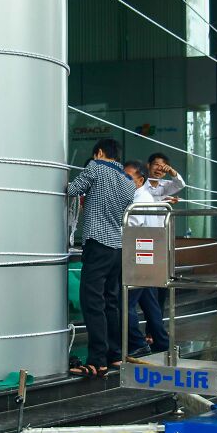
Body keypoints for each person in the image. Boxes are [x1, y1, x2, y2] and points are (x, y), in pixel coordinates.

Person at [67, 139, 135, 377]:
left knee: (92, 302)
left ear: (99, 152)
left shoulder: (95, 167)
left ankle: (97, 360)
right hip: (117, 246)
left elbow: (72, 190)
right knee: (111, 302)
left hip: (97, 243)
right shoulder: (128, 181)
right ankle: (114, 355)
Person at [123, 160, 170, 356]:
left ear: (140, 179)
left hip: (139, 254)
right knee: (149, 303)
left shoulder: (139, 199)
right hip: (148, 253)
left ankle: (137, 342)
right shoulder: (144, 196)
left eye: (128, 178)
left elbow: (131, 226)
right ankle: (162, 341)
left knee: (126, 303)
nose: (123, 181)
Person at [146, 152, 186, 318]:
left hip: (162, 239)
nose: (159, 169)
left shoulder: (165, 185)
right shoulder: (140, 185)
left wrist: (172, 171)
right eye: (156, 165)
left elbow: (181, 184)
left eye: (163, 167)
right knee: (147, 283)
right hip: (144, 237)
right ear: (148, 165)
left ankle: (155, 326)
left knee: (162, 284)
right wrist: (163, 201)